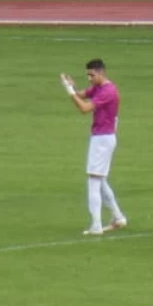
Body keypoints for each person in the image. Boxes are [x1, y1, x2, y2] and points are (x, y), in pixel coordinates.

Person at [63, 58, 125, 236]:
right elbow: (82, 95)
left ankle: (96, 224)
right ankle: (118, 216)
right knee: (101, 179)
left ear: (101, 73)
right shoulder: (99, 88)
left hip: (102, 139)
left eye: (91, 75)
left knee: (93, 181)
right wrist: (72, 87)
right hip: (102, 136)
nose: (89, 78)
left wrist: (69, 90)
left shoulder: (108, 91)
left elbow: (83, 108)